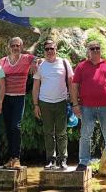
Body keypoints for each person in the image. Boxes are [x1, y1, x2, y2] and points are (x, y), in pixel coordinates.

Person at [71, 40, 106, 172]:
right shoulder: (81, 66)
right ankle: (83, 162)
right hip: (87, 107)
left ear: (100, 50)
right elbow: (74, 86)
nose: (95, 50)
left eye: (97, 48)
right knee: (85, 135)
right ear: (88, 51)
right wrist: (75, 104)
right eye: (92, 48)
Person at [33, 39, 73, 170]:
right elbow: (35, 87)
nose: (50, 51)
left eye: (52, 48)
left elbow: (71, 83)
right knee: (48, 132)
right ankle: (51, 160)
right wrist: (35, 105)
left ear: (56, 49)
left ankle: (63, 160)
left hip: (61, 101)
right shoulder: (40, 65)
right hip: (45, 103)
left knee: (62, 133)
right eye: (47, 49)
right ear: (44, 51)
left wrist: (73, 102)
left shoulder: (64, 63)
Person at [0, 37, 37, 168]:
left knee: (16, 127)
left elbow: (39, 58)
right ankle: (11, 158)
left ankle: (16, 157)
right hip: (5, 98)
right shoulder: (2, 61)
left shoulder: (27, 58)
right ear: (9, 47)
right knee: (8, 128)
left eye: (18, 46)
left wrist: (34, 63)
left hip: (19, 98)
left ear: (21, 47)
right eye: (13, 45)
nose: (15, 48)